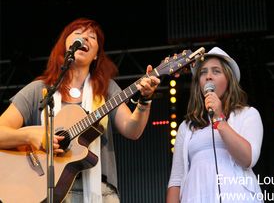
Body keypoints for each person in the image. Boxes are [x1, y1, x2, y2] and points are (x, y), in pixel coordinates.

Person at [0, 17, 160, 203]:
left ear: (96, 55)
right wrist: (31, 136)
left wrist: (145, 99)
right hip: (46, 191)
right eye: (78, 34)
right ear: (63, 46)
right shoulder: (39, 89)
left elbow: (132, 130)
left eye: (92, 37)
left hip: (101, 193)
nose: (84, 38)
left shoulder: (107, 89)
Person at [166, 47, 263, 203]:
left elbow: (248, 159)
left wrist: (218, 119)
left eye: (216, 71)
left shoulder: (248, 115)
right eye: (203, 72)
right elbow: (176, 180)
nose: (208, 76)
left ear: (228, 80)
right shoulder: (186, 127)